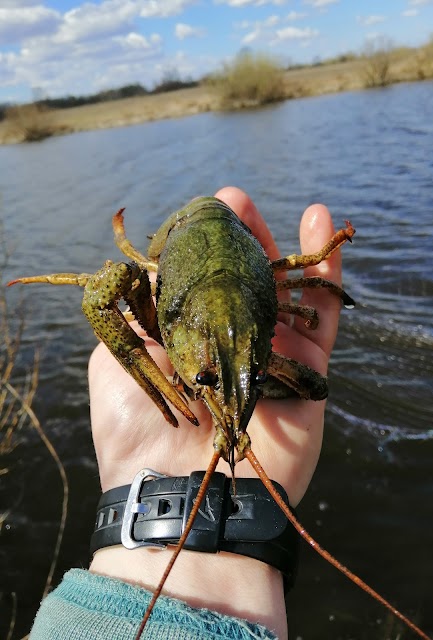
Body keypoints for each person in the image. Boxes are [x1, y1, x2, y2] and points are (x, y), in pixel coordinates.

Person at [30, 187, 345, 640]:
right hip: (187, 250)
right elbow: (105, 290)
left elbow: (314, 385)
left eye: (252, 375)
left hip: (238, 272)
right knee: (109, 282)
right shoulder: (161, 304)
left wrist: (244, 376)